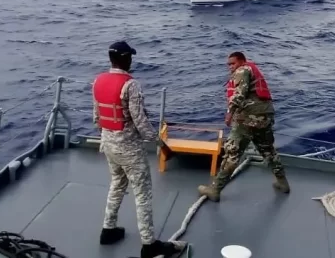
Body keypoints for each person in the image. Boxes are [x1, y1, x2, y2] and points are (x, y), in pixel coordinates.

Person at [93, 41, 184, 258]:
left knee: (117, 184)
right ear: (125, 59)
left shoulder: (98, 81)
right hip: (130, 149)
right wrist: (159, 142)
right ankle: (149, 244)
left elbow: (97, 118)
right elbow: (141, 121)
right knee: (142, 194)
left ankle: (108, 229)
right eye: (130, 57)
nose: (132, 60)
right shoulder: (131, 85)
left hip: (108, 144)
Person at [197, 51, 290, 201]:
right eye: (228, 64)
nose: (230, 67)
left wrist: (229, 113)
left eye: (233, 63)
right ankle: (282, 182)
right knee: (268, 150)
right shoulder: (251, 70)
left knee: (232, 153)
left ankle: (215, 189)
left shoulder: (242, 70)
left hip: (247, 119)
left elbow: (239, 94)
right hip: (265, 118)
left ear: (241, 61)